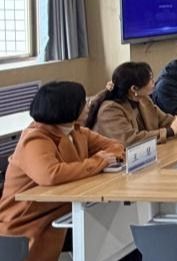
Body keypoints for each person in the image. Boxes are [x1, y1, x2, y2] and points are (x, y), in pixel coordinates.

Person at [0, 82, 125, 261]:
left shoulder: (75, 131)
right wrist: (98, 162)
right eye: (83, 102)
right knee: (109, 236)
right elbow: (50, 174)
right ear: (67, 109)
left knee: (117, 235)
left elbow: (115, 146)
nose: (88, 105)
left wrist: (106, 158)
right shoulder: (35, 138)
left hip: (63, 211)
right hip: (30, 222)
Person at [84, 62, 177, 146]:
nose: (153, 82)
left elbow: (164, 120)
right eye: (150, 79)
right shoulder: (110, 110)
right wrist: (170, 131)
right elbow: (129, 140)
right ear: (134, 88)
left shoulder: (143, 99)